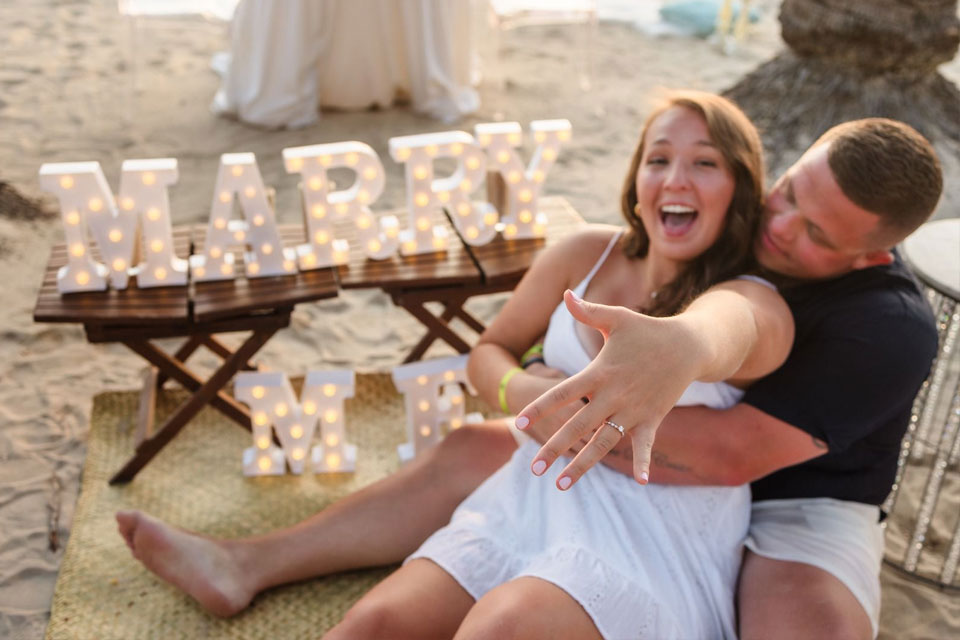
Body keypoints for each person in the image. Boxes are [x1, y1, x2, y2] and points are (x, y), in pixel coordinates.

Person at [116, 108, 942, 638]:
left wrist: (674, 352)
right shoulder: (616, 247)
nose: (781, 223)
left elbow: (726, 405)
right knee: (460, 474)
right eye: (788, 192)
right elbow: (496, 350)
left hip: (797, 496)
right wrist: (526, 393)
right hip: (601, 467)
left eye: (814, 232)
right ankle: (246, 564)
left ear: (869, 252)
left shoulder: (879, 326)